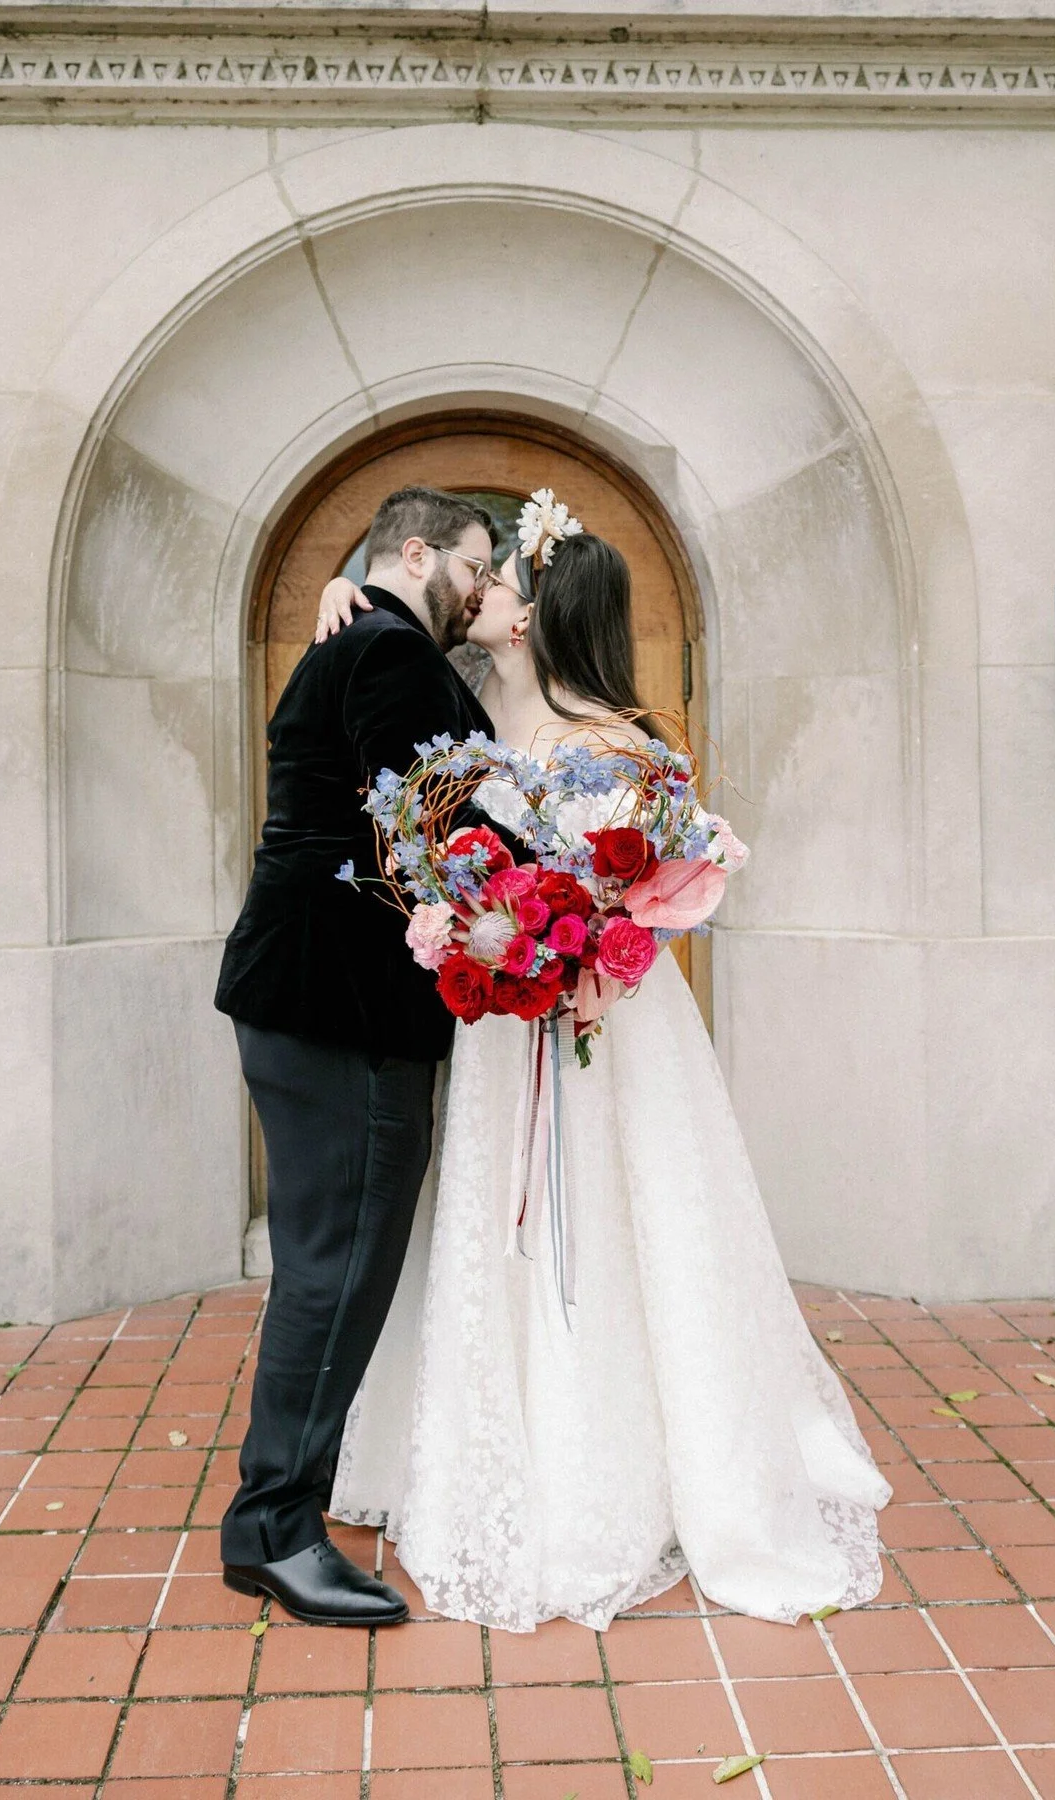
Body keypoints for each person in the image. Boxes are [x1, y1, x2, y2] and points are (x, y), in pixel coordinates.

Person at [310, 499, 892, 1631]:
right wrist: (345, 589)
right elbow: (391, 605)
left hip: (595, 1028)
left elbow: (654, 897)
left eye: (502, 583)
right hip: (493, 1030)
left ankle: (612, 1476)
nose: (479, 594)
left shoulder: (621, 747)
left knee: (624, 1226)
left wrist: (578, 955)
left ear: (532, 619)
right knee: (493, 1229)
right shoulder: (463, 711)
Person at [213, 486, 504, 1627]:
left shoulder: (363, 640)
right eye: (476, 566)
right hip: (343, 1008)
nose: (485, 590)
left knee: (327, 1263)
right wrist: (563, 892)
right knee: (336, 1270)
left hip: (310, 996)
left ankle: (283, 1510)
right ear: (416, 552)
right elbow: (439, 838)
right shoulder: (385, 654)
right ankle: (275, 1531)